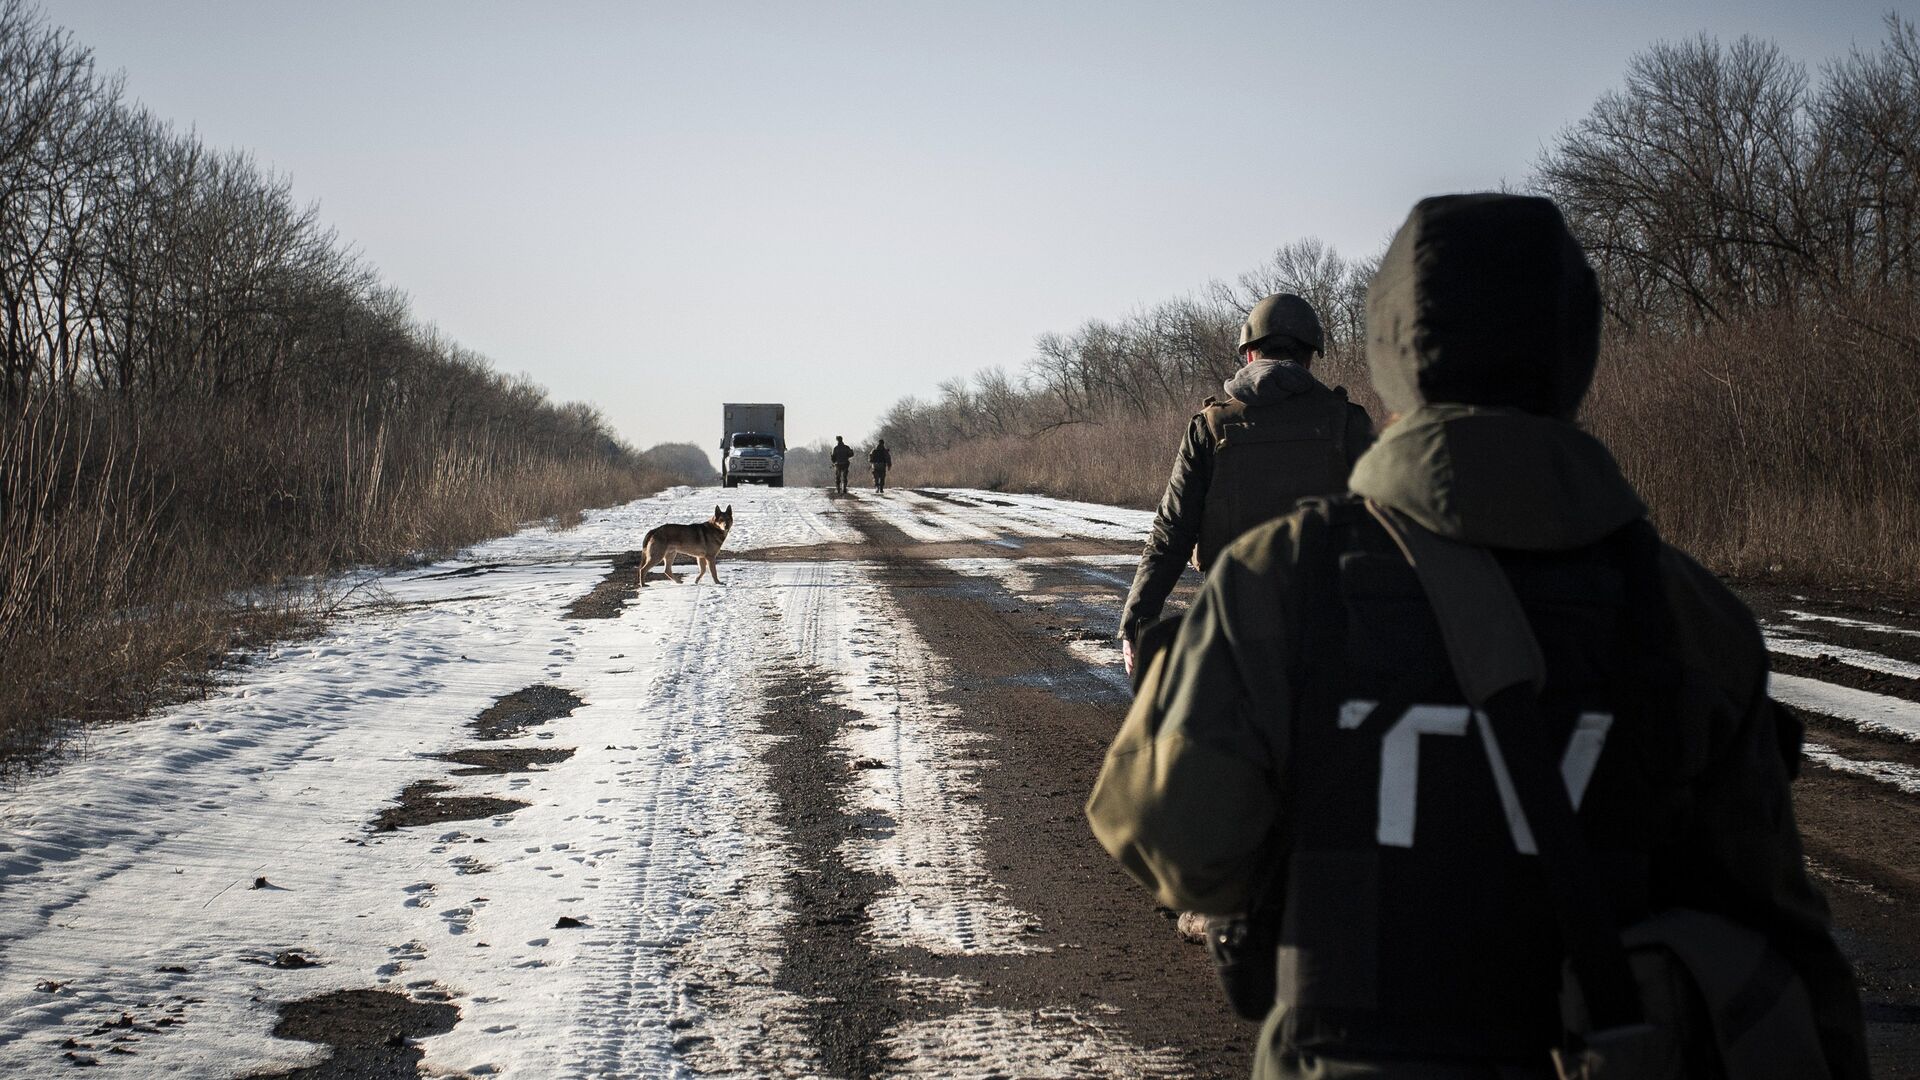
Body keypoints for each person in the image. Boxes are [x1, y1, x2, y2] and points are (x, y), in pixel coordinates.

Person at [1087, 194, 1869, 1079]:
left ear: (1394, 354)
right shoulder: (1688, 614)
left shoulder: (1275, 583)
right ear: (1576, 349)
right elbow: (1785, 944)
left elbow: (1171, 847)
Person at [1117, 292, 1373, 676]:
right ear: (1309, 357)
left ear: (1249, 353)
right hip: (1329, 624)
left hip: (1232, 623)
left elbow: (1172, 533)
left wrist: (1137, 621)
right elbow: (1391, 525)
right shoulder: (1348, 422)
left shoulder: (1210, 426)